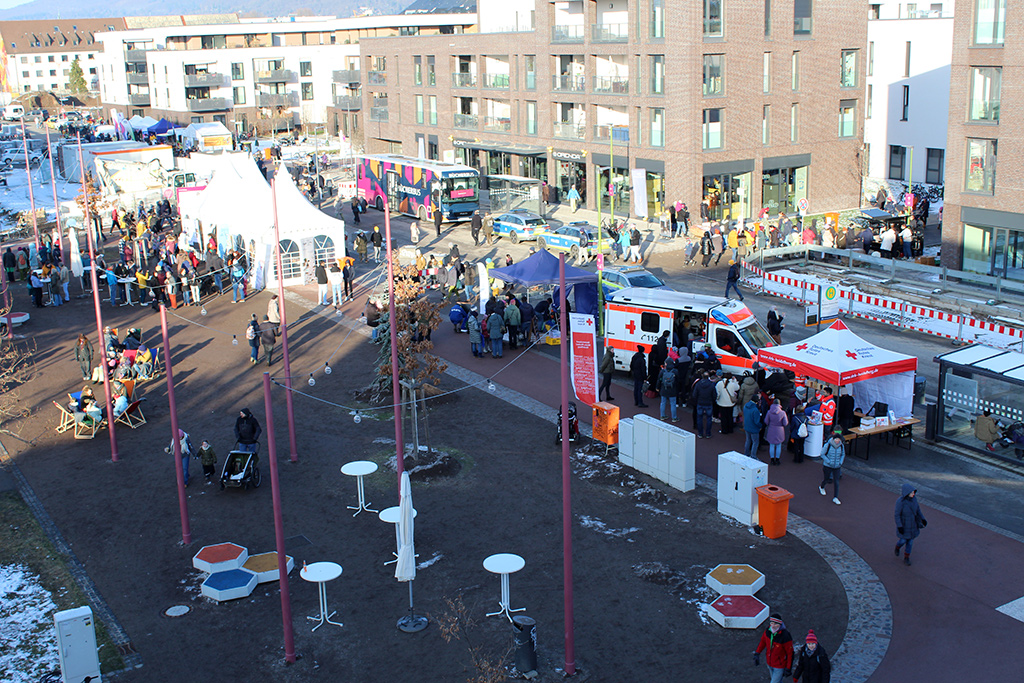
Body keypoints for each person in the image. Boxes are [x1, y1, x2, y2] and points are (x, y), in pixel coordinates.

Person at [752, 613, 794, 683]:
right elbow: (763, 642)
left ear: (780, 624)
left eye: (775, 624)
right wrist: (757, 653)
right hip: (769, 663)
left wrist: (788, 668)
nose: (773, 626)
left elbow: (790, 653)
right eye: (771, 623)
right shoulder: (768, 631)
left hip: (779, 666)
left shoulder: (785, 636)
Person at [894, 483, 928, 565]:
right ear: (907, 493)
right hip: (904, 526)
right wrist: (899, 526)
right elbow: (897, 515)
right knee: (902, 540)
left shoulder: (914, 500)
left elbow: (918, 510)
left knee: (910, 542)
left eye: (914, 492)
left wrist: (923, 519)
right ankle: (897, 547)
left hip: (913, 525)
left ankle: (906, 557)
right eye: (912, 492)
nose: (913, 494)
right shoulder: (900, 502)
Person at [818, 433, 846, 505]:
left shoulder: (841, 446)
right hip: (828, 466)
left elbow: (843, 454)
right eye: (836, 439)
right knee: (826, 479)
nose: (837, 441)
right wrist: (828, 461)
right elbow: (822, 454)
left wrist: (840, 462)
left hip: (837, 466)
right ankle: (822, 487)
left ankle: (835, 497)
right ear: (833, 439)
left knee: (836, 482)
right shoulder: (828, 445)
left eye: (839, 439)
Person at [764, 399, 790, 466]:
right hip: (779, 430)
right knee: (778, 445)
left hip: (771, 429)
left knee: (772, 445)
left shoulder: (769, 412)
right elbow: (785, 423)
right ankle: (777, 459)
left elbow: (766, 421)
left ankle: (772, 459)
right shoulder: (783, 413)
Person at [692, 371, 717, 439]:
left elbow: (694, 395)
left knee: (699, 418)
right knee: (709, 418)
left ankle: (700, 433)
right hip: (708, 403)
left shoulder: (698, 384)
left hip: (700, 403)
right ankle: (708, 433)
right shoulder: (712, 385)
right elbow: (714, 395)